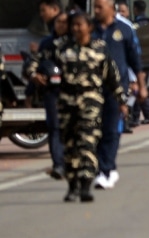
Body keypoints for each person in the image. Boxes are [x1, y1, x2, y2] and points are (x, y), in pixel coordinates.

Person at [40, 12, 126, 202]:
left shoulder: (100, 48)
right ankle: (73, 187)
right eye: (73, 25)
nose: (76, 28)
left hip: (90, 104)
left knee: (87, 144)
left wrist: (121, 100)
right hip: (67, 104)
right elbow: (39, 62)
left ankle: (86, 185)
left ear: (89, 27)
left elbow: (112, 76)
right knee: (70, 147)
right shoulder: (61, 48)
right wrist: (35, 74)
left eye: (80, 25)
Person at [92, 0, 145, 190]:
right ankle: (107, 166)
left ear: (111, 8)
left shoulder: (124, 29)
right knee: (94, 130)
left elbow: (135, 60)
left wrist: (141, 85)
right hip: (92, 88)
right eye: (95, 7)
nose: (96, 10)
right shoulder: (89, 29)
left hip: (117, 89)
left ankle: (105, 170)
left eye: (100, 7)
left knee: (112, 128)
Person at [26, 0, 66, 178]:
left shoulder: (79, 44)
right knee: (54, 127)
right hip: (53, 92)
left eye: (64, 23)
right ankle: (58, 164)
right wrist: (34, 77)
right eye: (58, 23)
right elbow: (34, 63)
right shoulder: (47, 43)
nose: (61, 25)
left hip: (75, 91)